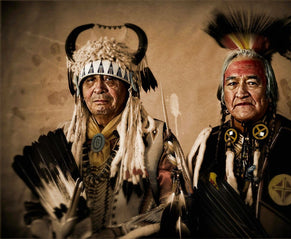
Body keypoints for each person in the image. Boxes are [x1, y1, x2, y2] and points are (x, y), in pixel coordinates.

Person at [15, 23, 191, 238]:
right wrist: (52, 233)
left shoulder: (155, 137)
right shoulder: (64, 140)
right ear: (80, 91)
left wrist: (120, 232)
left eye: (110, 79)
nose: (99, 88)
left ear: (130, 88)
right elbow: (35, 210)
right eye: (90, 80)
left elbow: (177, 205)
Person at [187, 9, 291, 238]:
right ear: (222, 94)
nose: (241, 93)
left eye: (252, 82)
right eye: (231, 84)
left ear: (269, 91)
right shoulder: (207, 144)